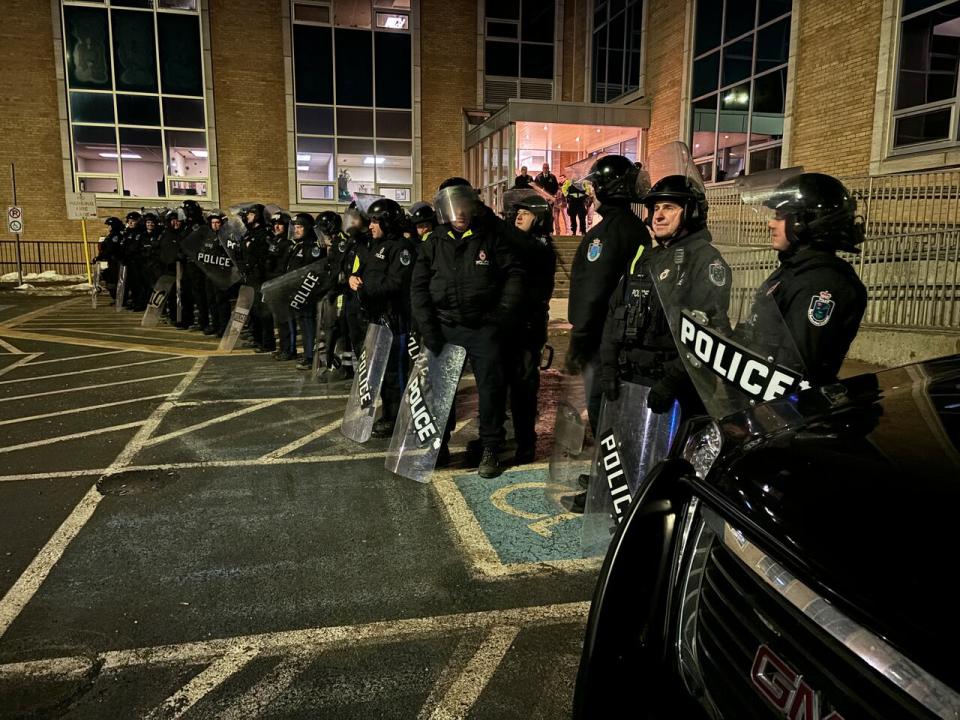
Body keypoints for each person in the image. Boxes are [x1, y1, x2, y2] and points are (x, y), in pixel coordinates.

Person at [411, 179, 524, 478]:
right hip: (446, 328)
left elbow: (514, 274)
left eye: (464, 205)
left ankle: (490, 448)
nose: (459, 213)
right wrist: (429, 331)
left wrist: (500, 316)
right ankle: (439, 445)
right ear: (444, 210)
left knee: (490, 390)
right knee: (442, 392)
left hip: (484, 328)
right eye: (453, 206)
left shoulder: (490, 238)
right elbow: (419, 290)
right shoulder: (433, 243)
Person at [745, 173, 868, 384]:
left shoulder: (821, 283)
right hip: (760, 399)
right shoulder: (795, 270)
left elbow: (796, 366)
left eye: (780, 216)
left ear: (804, 222)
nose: (770, 224)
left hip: (787, 409)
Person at [566, 155, 648, 434]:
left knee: (602, 406)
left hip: (602, 336)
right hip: (624, 335)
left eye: (595, 185)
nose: (591, 192)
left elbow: (594, 289)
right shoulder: (637, 228)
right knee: (619, 406)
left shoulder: (606, 234)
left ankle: (606, 474)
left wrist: (578, 338)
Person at [350, 198, 417, 437]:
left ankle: (396, 417)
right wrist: (355, 277)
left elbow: (395, 284)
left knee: (394, 372)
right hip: (377, 318)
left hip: (394, 320)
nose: (371, 226)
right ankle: (388, 412)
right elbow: (366, 270)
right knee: (378, 370)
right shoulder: (377, 246)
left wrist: (364, 287)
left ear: (388, 222)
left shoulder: (402, 248)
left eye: (376, 221)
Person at [505, 192, 556, 464]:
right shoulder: (521, 244)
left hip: (528, 327)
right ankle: (507, 436)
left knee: (524, 387)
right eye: (518, 212)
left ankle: (526, 443)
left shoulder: (540, 246)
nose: (519, 216)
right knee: (506, 385)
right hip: (510, 326)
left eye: (526, 213)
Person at [287, 212, 327, 369]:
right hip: (298, 294)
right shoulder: (299, 245)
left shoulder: (313, 247)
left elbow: (314, 272)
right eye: (295, 227)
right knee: (303, 325)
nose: (296, 230)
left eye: (299, 227)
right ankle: (308, 354)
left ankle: (311, 357)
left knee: (309, 325)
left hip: (307, 294)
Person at [239, 204, 271, 351]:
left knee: (262, 311)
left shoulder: (263, 234)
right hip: (249, 276)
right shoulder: (249, 233)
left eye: (251, 214)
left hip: (260, 277)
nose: (248, 217)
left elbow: (264, 256)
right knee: (253, 311)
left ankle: (267, 343)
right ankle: (256, 338)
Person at [264, 211, 295, 359]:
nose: (276, 227)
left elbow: (285, 266)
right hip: (274, 282)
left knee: (287, 319)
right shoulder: (275, 241)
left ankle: (289, 349)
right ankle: (283, 347)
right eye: (274, 224)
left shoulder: (289, 243)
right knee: (280, 320)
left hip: (284, 283)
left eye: (280, 224)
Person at [95, 217, 124, 301]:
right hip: (110, 260)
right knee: (109, 278)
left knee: (113, 279)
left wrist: (101, 256)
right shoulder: (111, 235)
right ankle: (116, 297)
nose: (108, 227)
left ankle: (118, 297)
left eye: (109, 225)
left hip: (115, 261)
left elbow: (110, 249)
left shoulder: (115, 236)